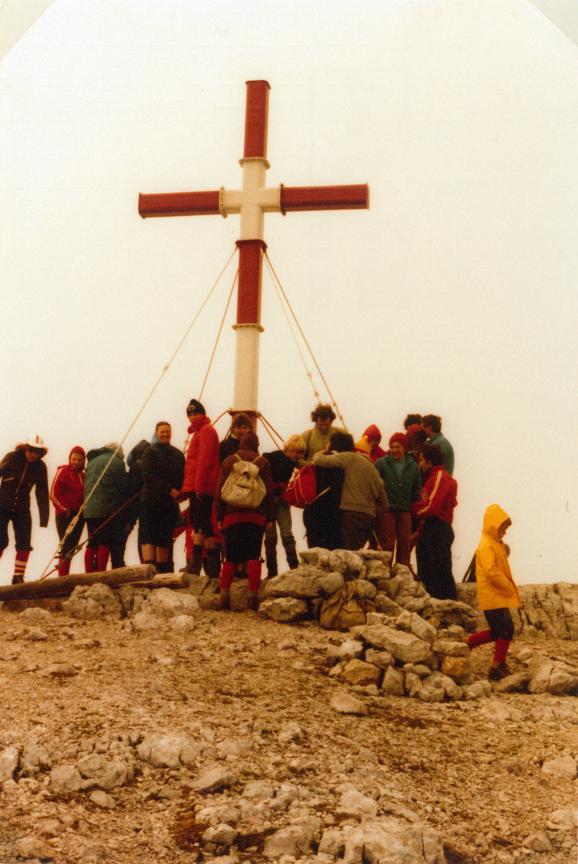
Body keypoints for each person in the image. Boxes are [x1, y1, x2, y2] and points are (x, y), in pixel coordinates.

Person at [216, 430, 274, 610]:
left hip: (232, 515)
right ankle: (252, 599)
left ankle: (224, 599)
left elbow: (219, 490)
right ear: (257, 445)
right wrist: (269, 518)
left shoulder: (229, 461)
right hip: (256, 517)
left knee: (230, 557)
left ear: (241, 443)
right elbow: (269, 494)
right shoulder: (262, 462)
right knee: (253, 556)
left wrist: (219, 516)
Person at [467, 505, 520, 681]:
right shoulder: (486, 545)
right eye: (503, 528)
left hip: (495, 596)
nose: (505, 532)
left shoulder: (494, 542)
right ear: (493, 526)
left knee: (499, 630)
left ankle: (467, 645)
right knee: (505, 629)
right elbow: (491, 571)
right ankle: (496, 667)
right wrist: (507, 586)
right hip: (492, 595)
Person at [313, 432, 388, 550]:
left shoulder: (349, 457)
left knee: (348, 556)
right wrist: (371, 510)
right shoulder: (372, 468)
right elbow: (384, 503)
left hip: (350, 514)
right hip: (368, 517)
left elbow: (319, 460)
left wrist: (322, 450)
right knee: (357, 553)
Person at [0, 434, 49, 584]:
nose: (33, 454)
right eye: (31, 450)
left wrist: (44, 518)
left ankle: (18, 577)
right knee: (0, 540)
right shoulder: (12, 457)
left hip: (22, 508)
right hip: (2, 505)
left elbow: (42, 491)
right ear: (25, 448)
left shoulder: (40, 467)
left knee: (24, 543)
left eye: (37, 451)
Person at [412, 443, 458, 599]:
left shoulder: (440, 477)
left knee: (438, 571)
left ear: (430, 461)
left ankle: (448, 606)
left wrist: (412, 510)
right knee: (428, 571)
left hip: (438, 528)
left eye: (422, 460)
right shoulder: (431, 478)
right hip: (431, 527)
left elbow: (433, 506)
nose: (420, 464)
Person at [181, 400, 220, 577]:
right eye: (190, 414)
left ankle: (195, 563)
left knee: (199, 524)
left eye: (195, 413)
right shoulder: (202, 431)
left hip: (202, 486)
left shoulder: (205, 431)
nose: (192, 417)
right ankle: (211, 565)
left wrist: (198, 487)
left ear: (202, 414)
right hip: (201, 485)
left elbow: (205, 461)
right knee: (205, 525)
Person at [140, 422, 184, 573]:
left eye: (167, 431)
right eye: (162, 432)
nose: (165, 434)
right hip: (151, 501)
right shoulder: (149, 452)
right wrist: (169, 490)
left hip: (168, 503)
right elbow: (148, 476)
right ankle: (149, 570)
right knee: (148, 537)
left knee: (164, 538)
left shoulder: (178, 454)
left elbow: (181, 477)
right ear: (157, 433)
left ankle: (163, 572)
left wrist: (180, 492)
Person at [375, 433, 421, 565]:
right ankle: (385, 570)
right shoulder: (381, 464)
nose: (394, 450)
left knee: (404, 543)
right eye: (392, 447)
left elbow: (416, 490)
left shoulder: (413, 466)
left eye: (398, 447)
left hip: (405, 510)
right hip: (387, 509)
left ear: (404, 448)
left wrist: (415, 511)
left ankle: (402, 571)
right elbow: (374, 485)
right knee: (387, 543)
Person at [262, 434, 304, 576]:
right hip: (271, 502)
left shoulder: (289, 462)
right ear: (288, 450)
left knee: (281, 535)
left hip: (277, 501)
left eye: (300, 453)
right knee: (274, 536)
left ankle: (288, 569)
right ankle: (281, 570)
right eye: (296, 452)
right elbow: (264, 457)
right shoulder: (276, 457)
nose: (298, 456)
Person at [84, 443, 128, 573]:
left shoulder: (92, 462)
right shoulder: (117, 462)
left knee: (92, 542)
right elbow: (122, 486)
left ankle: (88, 573)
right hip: (106, 509)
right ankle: (101, 572)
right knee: (105, 541)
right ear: (118, 452)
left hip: (89, 509)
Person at [50, 445, 86, 576]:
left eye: (79, 460)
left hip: (79, 515)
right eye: (74, 459)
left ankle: (64, 575)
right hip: (64, 514)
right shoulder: (63, 471)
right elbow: (53, 494)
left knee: (72, 547)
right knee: (66, 545)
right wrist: (64, 508)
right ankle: (62, 577)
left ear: (83, 461)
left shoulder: (83, 476)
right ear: (70, 458)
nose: (76, 462)